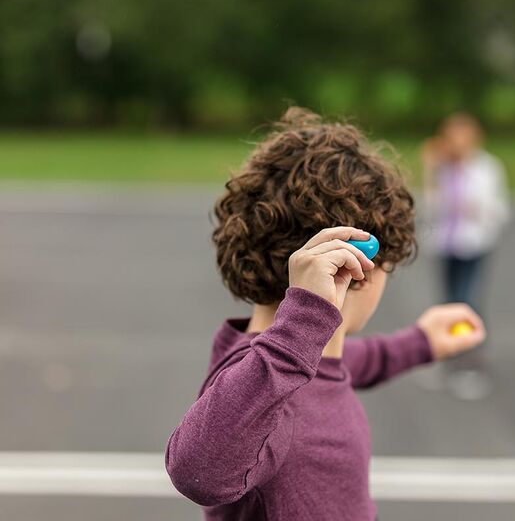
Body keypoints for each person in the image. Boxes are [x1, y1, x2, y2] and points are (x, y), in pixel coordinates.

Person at [165, 107, 485, 521]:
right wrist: (304, 320)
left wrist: (421, 342)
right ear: (359, 268)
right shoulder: (273, 384)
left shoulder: (286, 365)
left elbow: (344, 362)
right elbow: (197, 472)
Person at [421, 113, 510, 400]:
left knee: (467, 301)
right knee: (448, 302)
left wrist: (476, 208)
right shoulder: (443, 168)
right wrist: (430, 171)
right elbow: (430, 207)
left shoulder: (486, 168)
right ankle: (449, 357)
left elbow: (499, 210)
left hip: (473, 244)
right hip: (446, 244)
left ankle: (470, 362)